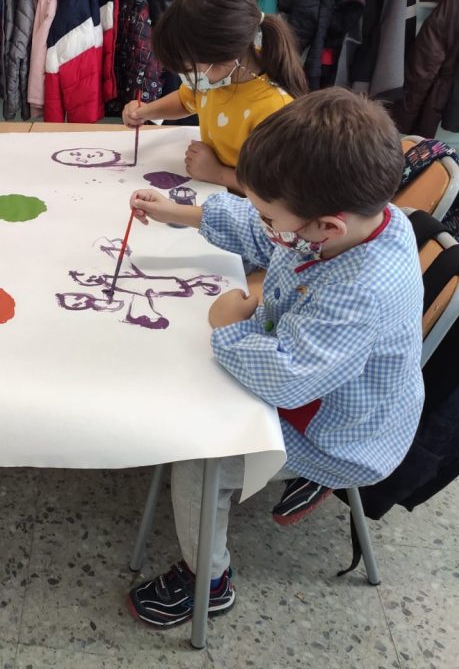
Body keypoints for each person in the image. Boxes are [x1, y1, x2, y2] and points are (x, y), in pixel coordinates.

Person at [125, 88, 423, 628]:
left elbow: (287, 379)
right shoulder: (355, 223)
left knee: (201, 454)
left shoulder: (361, 291)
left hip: (339, 431)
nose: (262, 222)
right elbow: (269, 236)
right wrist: (180, 212)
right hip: (326, 381)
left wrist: (228, 329)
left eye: (268, 214)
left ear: (328, 226)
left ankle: (208, 581)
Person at [123, 0, 307, 192]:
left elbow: (276, 188)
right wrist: (146, 112)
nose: (188, 78)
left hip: (247, 205)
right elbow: (185, 100)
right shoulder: (217, 78)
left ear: (222, 59)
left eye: (189, 70)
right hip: (210, 189)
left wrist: (217, 173)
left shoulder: (273, 107)